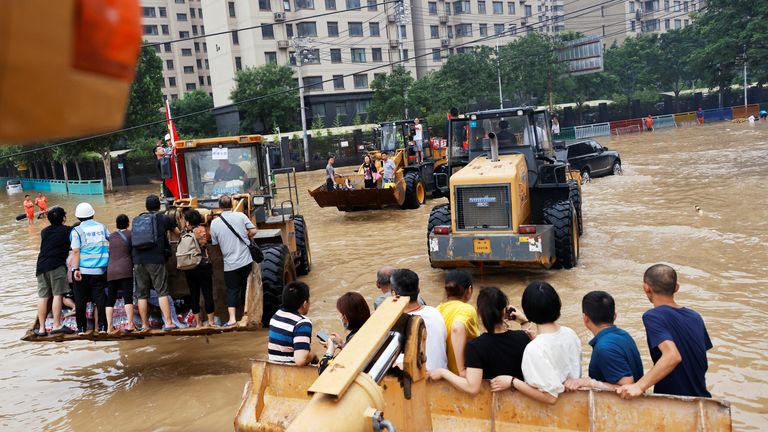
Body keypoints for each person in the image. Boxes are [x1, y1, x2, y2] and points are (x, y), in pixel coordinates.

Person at [618, 264, 712, 399]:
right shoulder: (695, 316)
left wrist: (639, 386)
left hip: (673, 402)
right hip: (702, 398)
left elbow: (672, 356)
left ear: (646, 288)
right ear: (676, 287)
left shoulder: (653, 316)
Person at [490, 281, 581, 405]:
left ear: (527, 311)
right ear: (557, 305)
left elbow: (550, 397)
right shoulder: (570, 333)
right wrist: (525, 323)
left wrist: (512, 381)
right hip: (575, 402)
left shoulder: (534, 349)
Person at [428, 287, 532, 394]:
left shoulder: (475, 347)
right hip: (519, 399)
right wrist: (524, 321)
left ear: (479, 314)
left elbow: (472, 387)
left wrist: (443, 372)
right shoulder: (522, 337)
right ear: (504, 311)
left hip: (489, 403)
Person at [564, 291, 643, 392]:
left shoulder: (604, 348)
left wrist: (590, 383)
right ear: (615, 316)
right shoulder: (624, 335)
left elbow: (627, 388)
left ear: (585, 318)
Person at [132, 194, 180, 331]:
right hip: (156, 260)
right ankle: (169, 323)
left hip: (138, 260)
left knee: (142, 294)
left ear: (146, 207)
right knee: (162, 291)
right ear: (159, 206)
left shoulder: (138, 219)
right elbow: (178, 233)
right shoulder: (164, 218)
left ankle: (145, 325)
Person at [209, 194, 257, 327]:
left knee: (232, 290)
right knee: (246, 287)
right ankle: (248, 314)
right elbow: (254, 231)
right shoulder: (241, 216)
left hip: (230, 264)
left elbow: (215, 244)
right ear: (231, 204)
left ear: (219, 207)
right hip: (246, 260)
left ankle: (232, 319)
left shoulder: (214, 223)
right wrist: (245, 235)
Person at [391, 268, 447, 371]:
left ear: (394, 294)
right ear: (419, 291)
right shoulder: (435, 312)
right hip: (442, 375)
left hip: (421, 382)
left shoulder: (397, 324)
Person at [70, 202, 110, 334]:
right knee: (100, 299)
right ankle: (103, 327)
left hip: (82, 271)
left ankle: (81, 328)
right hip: (99, 270)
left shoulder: (76, 231)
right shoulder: (102, 227)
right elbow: (110, 240)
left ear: (78, 217)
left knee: (80, 300)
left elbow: (76, 251)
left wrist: (75, 269)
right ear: (93, 214)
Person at [34, 207, 74, 336]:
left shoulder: (44, 232)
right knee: (58, 295)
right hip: (56, 265)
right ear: (63, 218)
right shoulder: (68, 231)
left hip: (41, 266)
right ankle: (56, 325)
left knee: (43, 296)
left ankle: (41, 329)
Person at [436, 270, 481, 376]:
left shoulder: (437, 309)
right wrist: (461, 369)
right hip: (462, 376)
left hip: (443, 373)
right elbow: (457, 328)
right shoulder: (467, 309)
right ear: (469, 290)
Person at [319, 292, 371, 374]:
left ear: (345, 317)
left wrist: (330, 349)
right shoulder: (370, 327)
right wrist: (343, 345)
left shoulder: (355, 341)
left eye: (340, 314)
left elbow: (324, 371)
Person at [267, 281, 316, 366]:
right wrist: (313, 355)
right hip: (291, 370)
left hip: (274, 367)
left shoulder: (276, 316)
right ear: (305, 303)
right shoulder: (302, 323)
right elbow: (300, 361)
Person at [182, 209, 215, 328]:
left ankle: (198, 323)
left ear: (188, 221)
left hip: (189, 267)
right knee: (207, 294)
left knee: (194, 295)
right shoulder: (201, 230)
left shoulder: (184, 232)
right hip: (203, 265)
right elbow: (204, 244)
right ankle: (211, 322)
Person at [106, 214, 135, 333]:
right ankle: (130, 325)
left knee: (110, 300)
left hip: (111, 270)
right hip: (125, 269)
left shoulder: (111, 236)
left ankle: (109, 327)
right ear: (128, 224)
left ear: (116, 224)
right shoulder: (131, 234)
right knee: (128, 298)